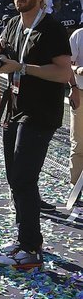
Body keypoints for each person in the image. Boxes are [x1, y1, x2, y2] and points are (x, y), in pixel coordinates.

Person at [0, 0, 72, 270]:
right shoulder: (11, 23)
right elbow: (3, 57)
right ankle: (24, 238)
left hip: (40, 112)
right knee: (15, 178)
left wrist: (23, 67)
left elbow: (64, 73)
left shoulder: (52, 28)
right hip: (14, 108)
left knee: (24, 177)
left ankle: (32, 248)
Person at [70, 24, 83, 189]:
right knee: (78, 142)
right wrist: (78, 69)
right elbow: (67, 64)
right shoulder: (78, 35)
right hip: (80, 93)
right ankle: (76, 186)